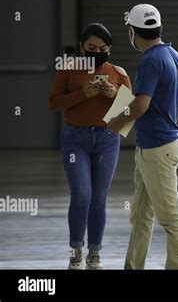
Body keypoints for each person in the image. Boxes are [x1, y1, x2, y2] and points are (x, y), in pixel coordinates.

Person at [107, 4, 178, 269]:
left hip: (157, 150)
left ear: (133, 32)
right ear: (159, 27)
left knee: (169, 217)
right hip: (155, 148)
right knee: (140, 215)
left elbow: (140, 106)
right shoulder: (176, 56)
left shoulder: (151, 60)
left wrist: (116, 121)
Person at [49, 23, 132, 269]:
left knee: (99, 198)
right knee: (82, 194)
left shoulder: (118, 72)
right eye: (92, 48)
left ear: (110, 49)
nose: (98, 52)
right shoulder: (67, 70)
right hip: (76, 138)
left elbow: (129, 111)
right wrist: (82, 94)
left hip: (107, 138)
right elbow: (54, 103)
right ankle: (76, 249)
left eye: (103, 48)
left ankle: (94, 253)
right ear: (82, 47)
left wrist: (114, 94)